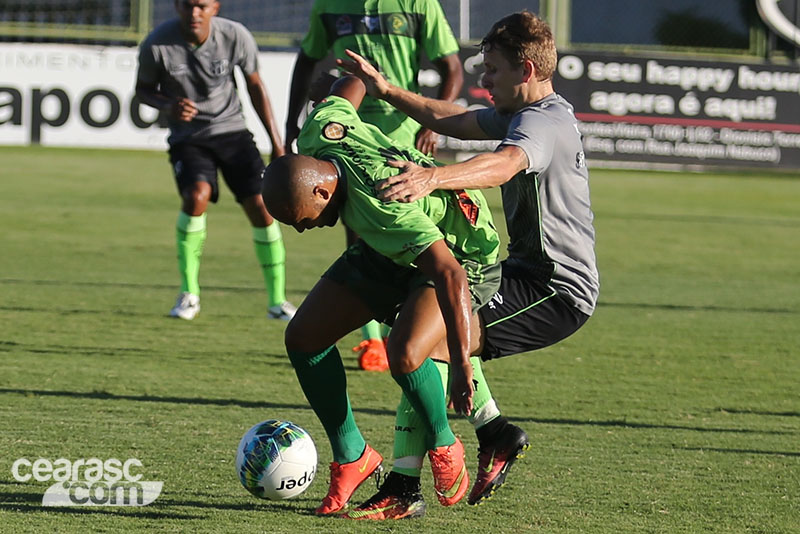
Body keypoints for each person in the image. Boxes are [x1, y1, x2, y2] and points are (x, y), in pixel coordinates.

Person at [340, 10, 599, 508]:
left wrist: (430, 177)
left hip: (556, 291)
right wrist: (387, 90)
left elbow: (504, 166)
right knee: (426, 336)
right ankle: (488, 437)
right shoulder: (524, 113)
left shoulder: (542, 125)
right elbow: (449, 118)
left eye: (493, 70)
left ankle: (406, 484)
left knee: (427, 346)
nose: (484, 79)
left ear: (526, 70)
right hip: (524, 271)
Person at [261, 74, 501, 517]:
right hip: (392, 249)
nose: (300, 228)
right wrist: (353, 79)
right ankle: (352, 455)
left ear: (321, 190)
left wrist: (462, 364)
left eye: (300, 217)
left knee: (404, 352)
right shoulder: (322, 127)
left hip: (462, 250)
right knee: (304, 337)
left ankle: (445, 445)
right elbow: (349, 83)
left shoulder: (381, 205)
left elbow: (449, 274)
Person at [284, 0, 464, 370]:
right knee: (361, 245)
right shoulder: (329, 6)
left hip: (400, 146)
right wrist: (292, 122)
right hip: (347, 140)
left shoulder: (419, 5)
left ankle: (428, 338)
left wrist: (431, 123)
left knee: (424, 251)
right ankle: (375, 342)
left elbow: (452, 68)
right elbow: (307, 60)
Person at [135, 0, 295, 321]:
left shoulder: (235, 36)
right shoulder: (157, 43)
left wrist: (278, 145)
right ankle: (189, 293)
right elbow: (142, 91)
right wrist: (168, 106)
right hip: (188, 138)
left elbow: (255, 87)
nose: (194, 13)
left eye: (201, 6)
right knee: (196, 196)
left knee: (262, 207)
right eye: (187, 5)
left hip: (233, 132)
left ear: (215, 8)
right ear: (177, 7)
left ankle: (277, 301)